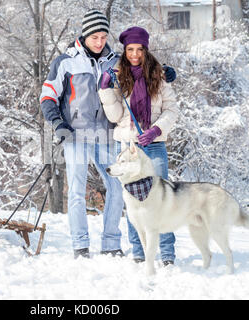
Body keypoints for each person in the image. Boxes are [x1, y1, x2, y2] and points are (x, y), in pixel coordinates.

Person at [39, 9, 124, 259]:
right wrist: (58, 124)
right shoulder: (65, 62)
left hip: (106, 134)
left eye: (103, 36)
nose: (99, 42)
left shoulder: (115, 61)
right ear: (85, 35)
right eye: (95, 37)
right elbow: (47, 97)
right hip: (75, 135)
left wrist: (163, 72)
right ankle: (80, 245)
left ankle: (111, 244)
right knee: (77, 189)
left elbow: (143, 72)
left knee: (116, 186)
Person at [98, 26, 178, 265]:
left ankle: (166, 255)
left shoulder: (159, 76)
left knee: (161, 199)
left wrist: (156, 130)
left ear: (146, 50)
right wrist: (105, 90)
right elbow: (115, 117)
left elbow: (172, 110)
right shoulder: (118, 76)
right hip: (127, 146)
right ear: (125, 50)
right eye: (130, 49)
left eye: (139, 49)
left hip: (154, 146)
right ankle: (139, 253)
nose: (134, 54)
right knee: (133, 202)